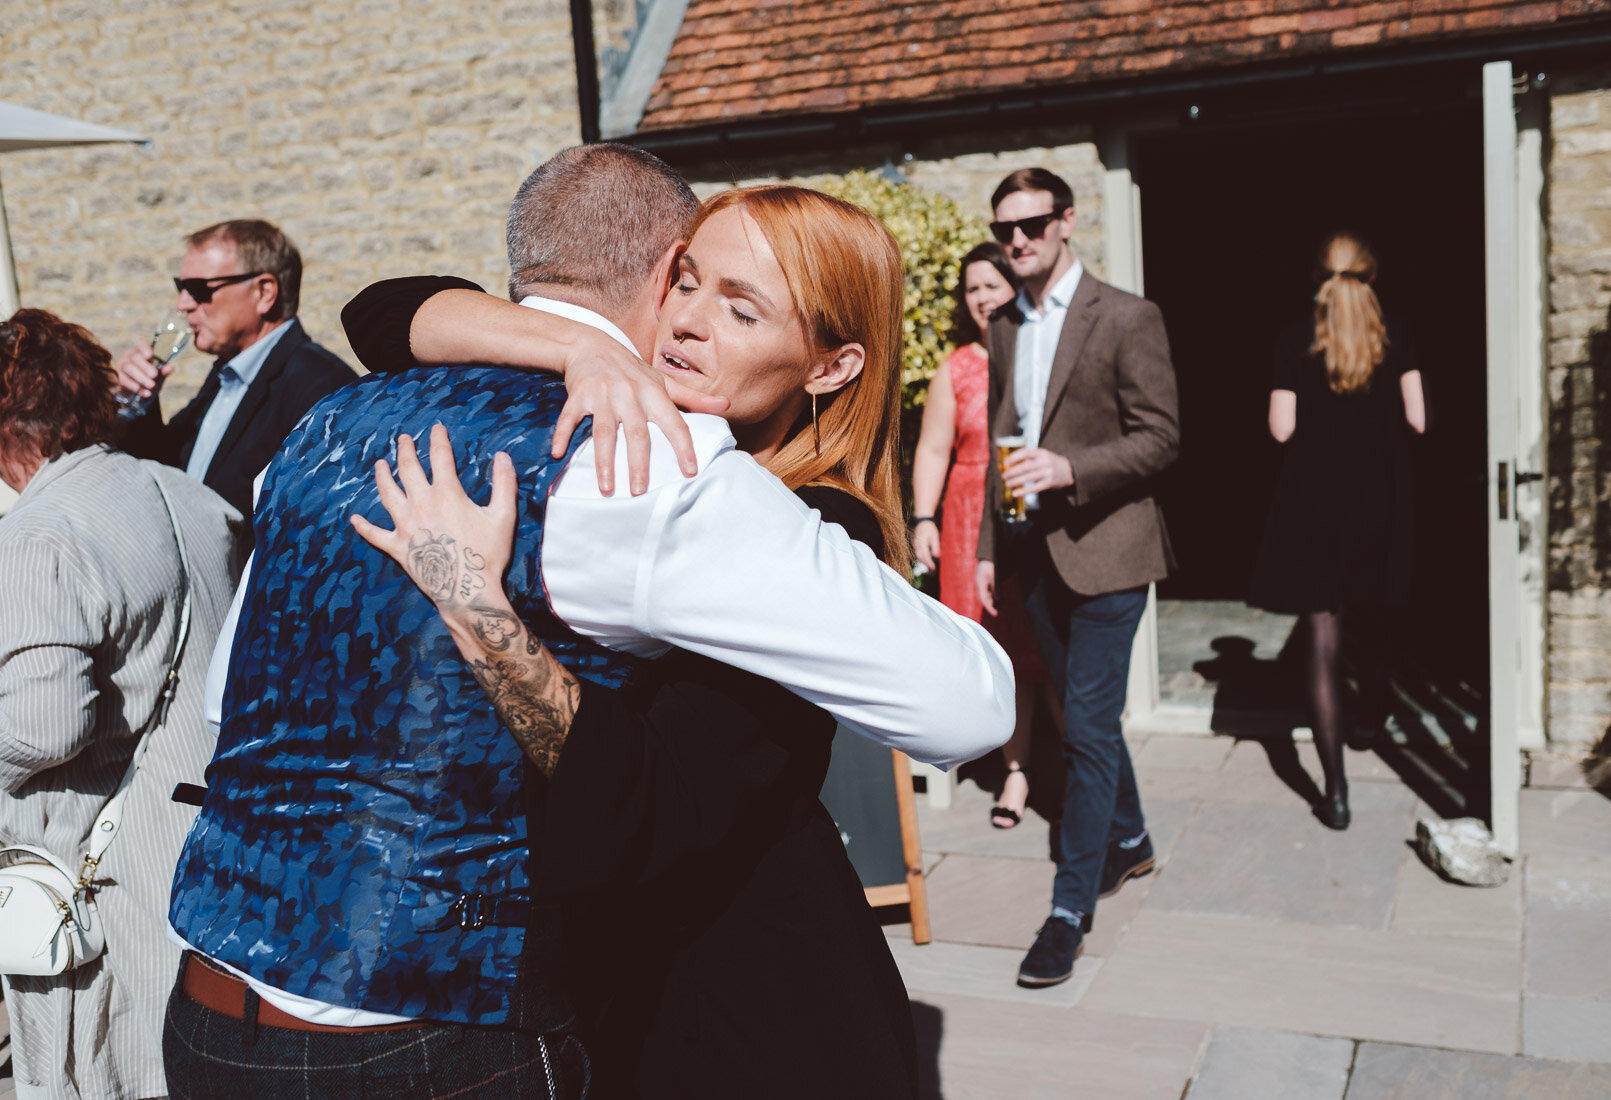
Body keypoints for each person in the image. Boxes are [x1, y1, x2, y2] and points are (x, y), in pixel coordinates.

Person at [164, 146, 1012, 1098]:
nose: (688, 323)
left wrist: (479, 607)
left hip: (733, 1004)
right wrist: (583, 346)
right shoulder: (627, 440)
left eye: (740, 309)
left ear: (831, 366)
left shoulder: (336, 431)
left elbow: (654, 809)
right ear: (657, 276)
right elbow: (385, 309)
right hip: (483, 1009)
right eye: (688, 284)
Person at [0, 309, 239, 1100]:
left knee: (115, 1071)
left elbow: (40, 725)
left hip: (107, 877)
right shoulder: (187, 494)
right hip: (215, 844)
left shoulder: (39, 532)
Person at [973, 167, 1180, 989]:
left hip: (1113, 552)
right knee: (1078, 719)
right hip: (1033, 558)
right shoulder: (1004, 328)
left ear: (1065, 223)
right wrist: (990, 546)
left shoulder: (1128, 316)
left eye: (1030, 225)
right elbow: (999, 439)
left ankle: (1068, 914)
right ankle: (1129, 841)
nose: (1017, 241)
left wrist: (1071, 467)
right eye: (1004, 230)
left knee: (1087, 729)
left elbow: (1163, 436)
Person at [1249, 233, 1425, 831]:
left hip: (1315, 507)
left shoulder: (1292, 338)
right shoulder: (1394, 332)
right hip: (1378, 503)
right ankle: (1370, 720)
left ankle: (1336, 791)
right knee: (1374, 617)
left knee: (1323, 640)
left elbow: (1279, 429)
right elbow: (1418, 419)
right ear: (1370, 275)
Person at [910, 241, 1048, 828]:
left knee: (1030, 642)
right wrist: (922, 518)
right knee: (981, 646)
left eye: (992, 284)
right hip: (967, 518)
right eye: (973, 289)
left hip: (1028, 515)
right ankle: (996, 762)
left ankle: (1036, 767)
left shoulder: (1041, 351)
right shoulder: (958, 366)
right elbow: (935, 448)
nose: (982, 296)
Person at [115, 219, 356, 529]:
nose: (183, 303)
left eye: (199, 289)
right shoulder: (226, 375)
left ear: (264, 292)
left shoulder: (320, 385)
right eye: (181, 287)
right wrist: (135, 401)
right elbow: (169, 469)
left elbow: (319, 521)